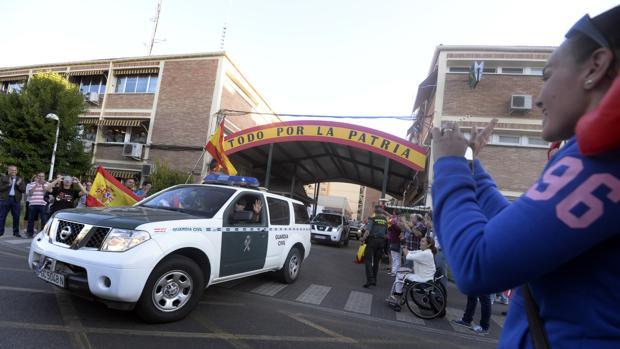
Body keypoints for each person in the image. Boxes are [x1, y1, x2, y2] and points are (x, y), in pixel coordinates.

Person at [430, 6, 620, 347]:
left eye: (546, 76)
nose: (538, 99)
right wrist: (471, 165)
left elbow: (475, 263)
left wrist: (448, 165)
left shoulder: (602, 159)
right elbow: (510, 232)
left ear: (596, 67)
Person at [387, 236, 437, 312]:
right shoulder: (424, 251)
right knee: (402, 271)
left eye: (423, 241)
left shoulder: (426, 254)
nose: (420, 242)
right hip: (425, 277)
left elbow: (408, 256)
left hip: (422, 279)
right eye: (421, 240)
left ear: (429, 245)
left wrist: (403, 246)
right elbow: (410, 252)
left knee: (399, 275)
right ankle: (398, 294)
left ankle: (398, 298)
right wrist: (405, 248)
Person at [360, 206, 388, 288]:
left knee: (368, 260)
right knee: (376, 262)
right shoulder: (385, 221)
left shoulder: (372, 219)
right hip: (381, 242)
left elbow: (368, 231)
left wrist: (362, 239)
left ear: (375, 212)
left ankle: (370, 279)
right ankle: (374, 280)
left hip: (372, 241)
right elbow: (386, 233)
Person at [0, 165, 26, 237]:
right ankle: (0, 231)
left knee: (16, 216)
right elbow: (0, 188)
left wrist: (18, 185)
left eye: (15, 170)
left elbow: (23, 190)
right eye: (12, 170)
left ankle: (16, 232)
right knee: (2, 216)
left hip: (15, 200)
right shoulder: (3, 178)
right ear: (9, 171)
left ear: (16, 171)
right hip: (5, 199)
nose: (14, 171)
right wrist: (9, 184)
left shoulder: (20, 179)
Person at [26, 172, 48, 238]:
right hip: (33, 203)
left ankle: (42, 234)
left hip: (43, 204)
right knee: (30, 219)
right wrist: (36, 185)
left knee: (44, 219)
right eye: (39, 176)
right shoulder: (32, 184)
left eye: (42, 176)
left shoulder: (47, 184)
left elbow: (45, 192)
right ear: (37, 177)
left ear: (44, 177)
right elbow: (30, 194)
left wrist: (43, 185)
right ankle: (30, 233)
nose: (41, 178)